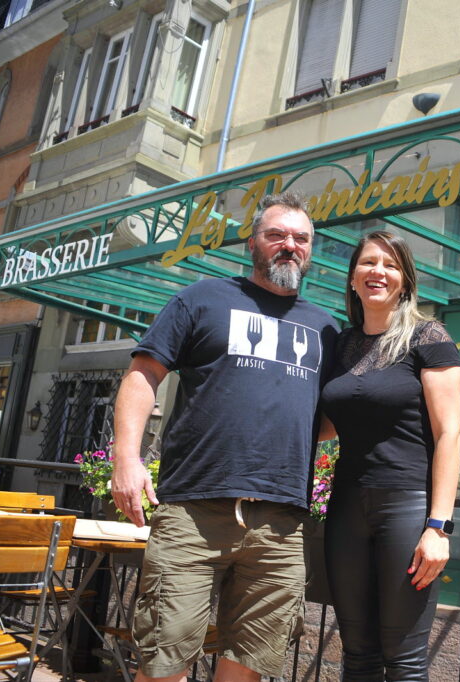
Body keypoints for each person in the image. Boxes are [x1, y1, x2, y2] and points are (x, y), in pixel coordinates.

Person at [111, 192, 340, 682]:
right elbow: (142, 376)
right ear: (252, 242)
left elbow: (327, 417)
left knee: (250, 664)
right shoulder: (202, 298)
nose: (289, 246)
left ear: (311, 250)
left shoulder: (326, 328)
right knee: (163, 656)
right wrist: (126, 459)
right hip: (194, 511)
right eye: (276, 235)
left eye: (301, 239)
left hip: (282, 523)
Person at [320, 230, 460, 681]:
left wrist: (438, 526)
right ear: (353, 276)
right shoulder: (339, 346)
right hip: (345, 507)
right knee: (356, 655)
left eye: (390, 264)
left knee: (404, 661)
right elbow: (328, 424)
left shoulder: (428, 336)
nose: (377, 272)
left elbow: (450, 434)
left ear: (405, 279)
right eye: (367, 263)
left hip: (407, 506)